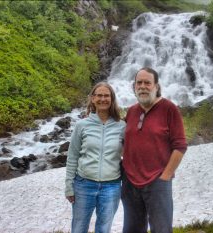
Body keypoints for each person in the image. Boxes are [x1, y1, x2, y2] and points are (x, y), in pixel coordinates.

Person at [122, 67, 187, 233]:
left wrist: (165, 177)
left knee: (161, 229)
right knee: (132, 229)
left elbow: (180, 146)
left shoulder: (169, 109)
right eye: (139, 83)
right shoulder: (131, 111)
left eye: (147, 83)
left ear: (156, 86)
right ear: (134, 86)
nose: (143, 86)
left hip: (158, 181)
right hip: (130, 182)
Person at [65, 82, 126, 233]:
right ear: (93, 98)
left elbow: (130, 153)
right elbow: (72, 156)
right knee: (79, 228)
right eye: (99, 95)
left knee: (104, 229)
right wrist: (68, 186)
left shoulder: (121, 126)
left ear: (112, 99)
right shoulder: (82, 125)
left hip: (111, 186)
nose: (103, 99)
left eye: (106, 96)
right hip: (84, 184)